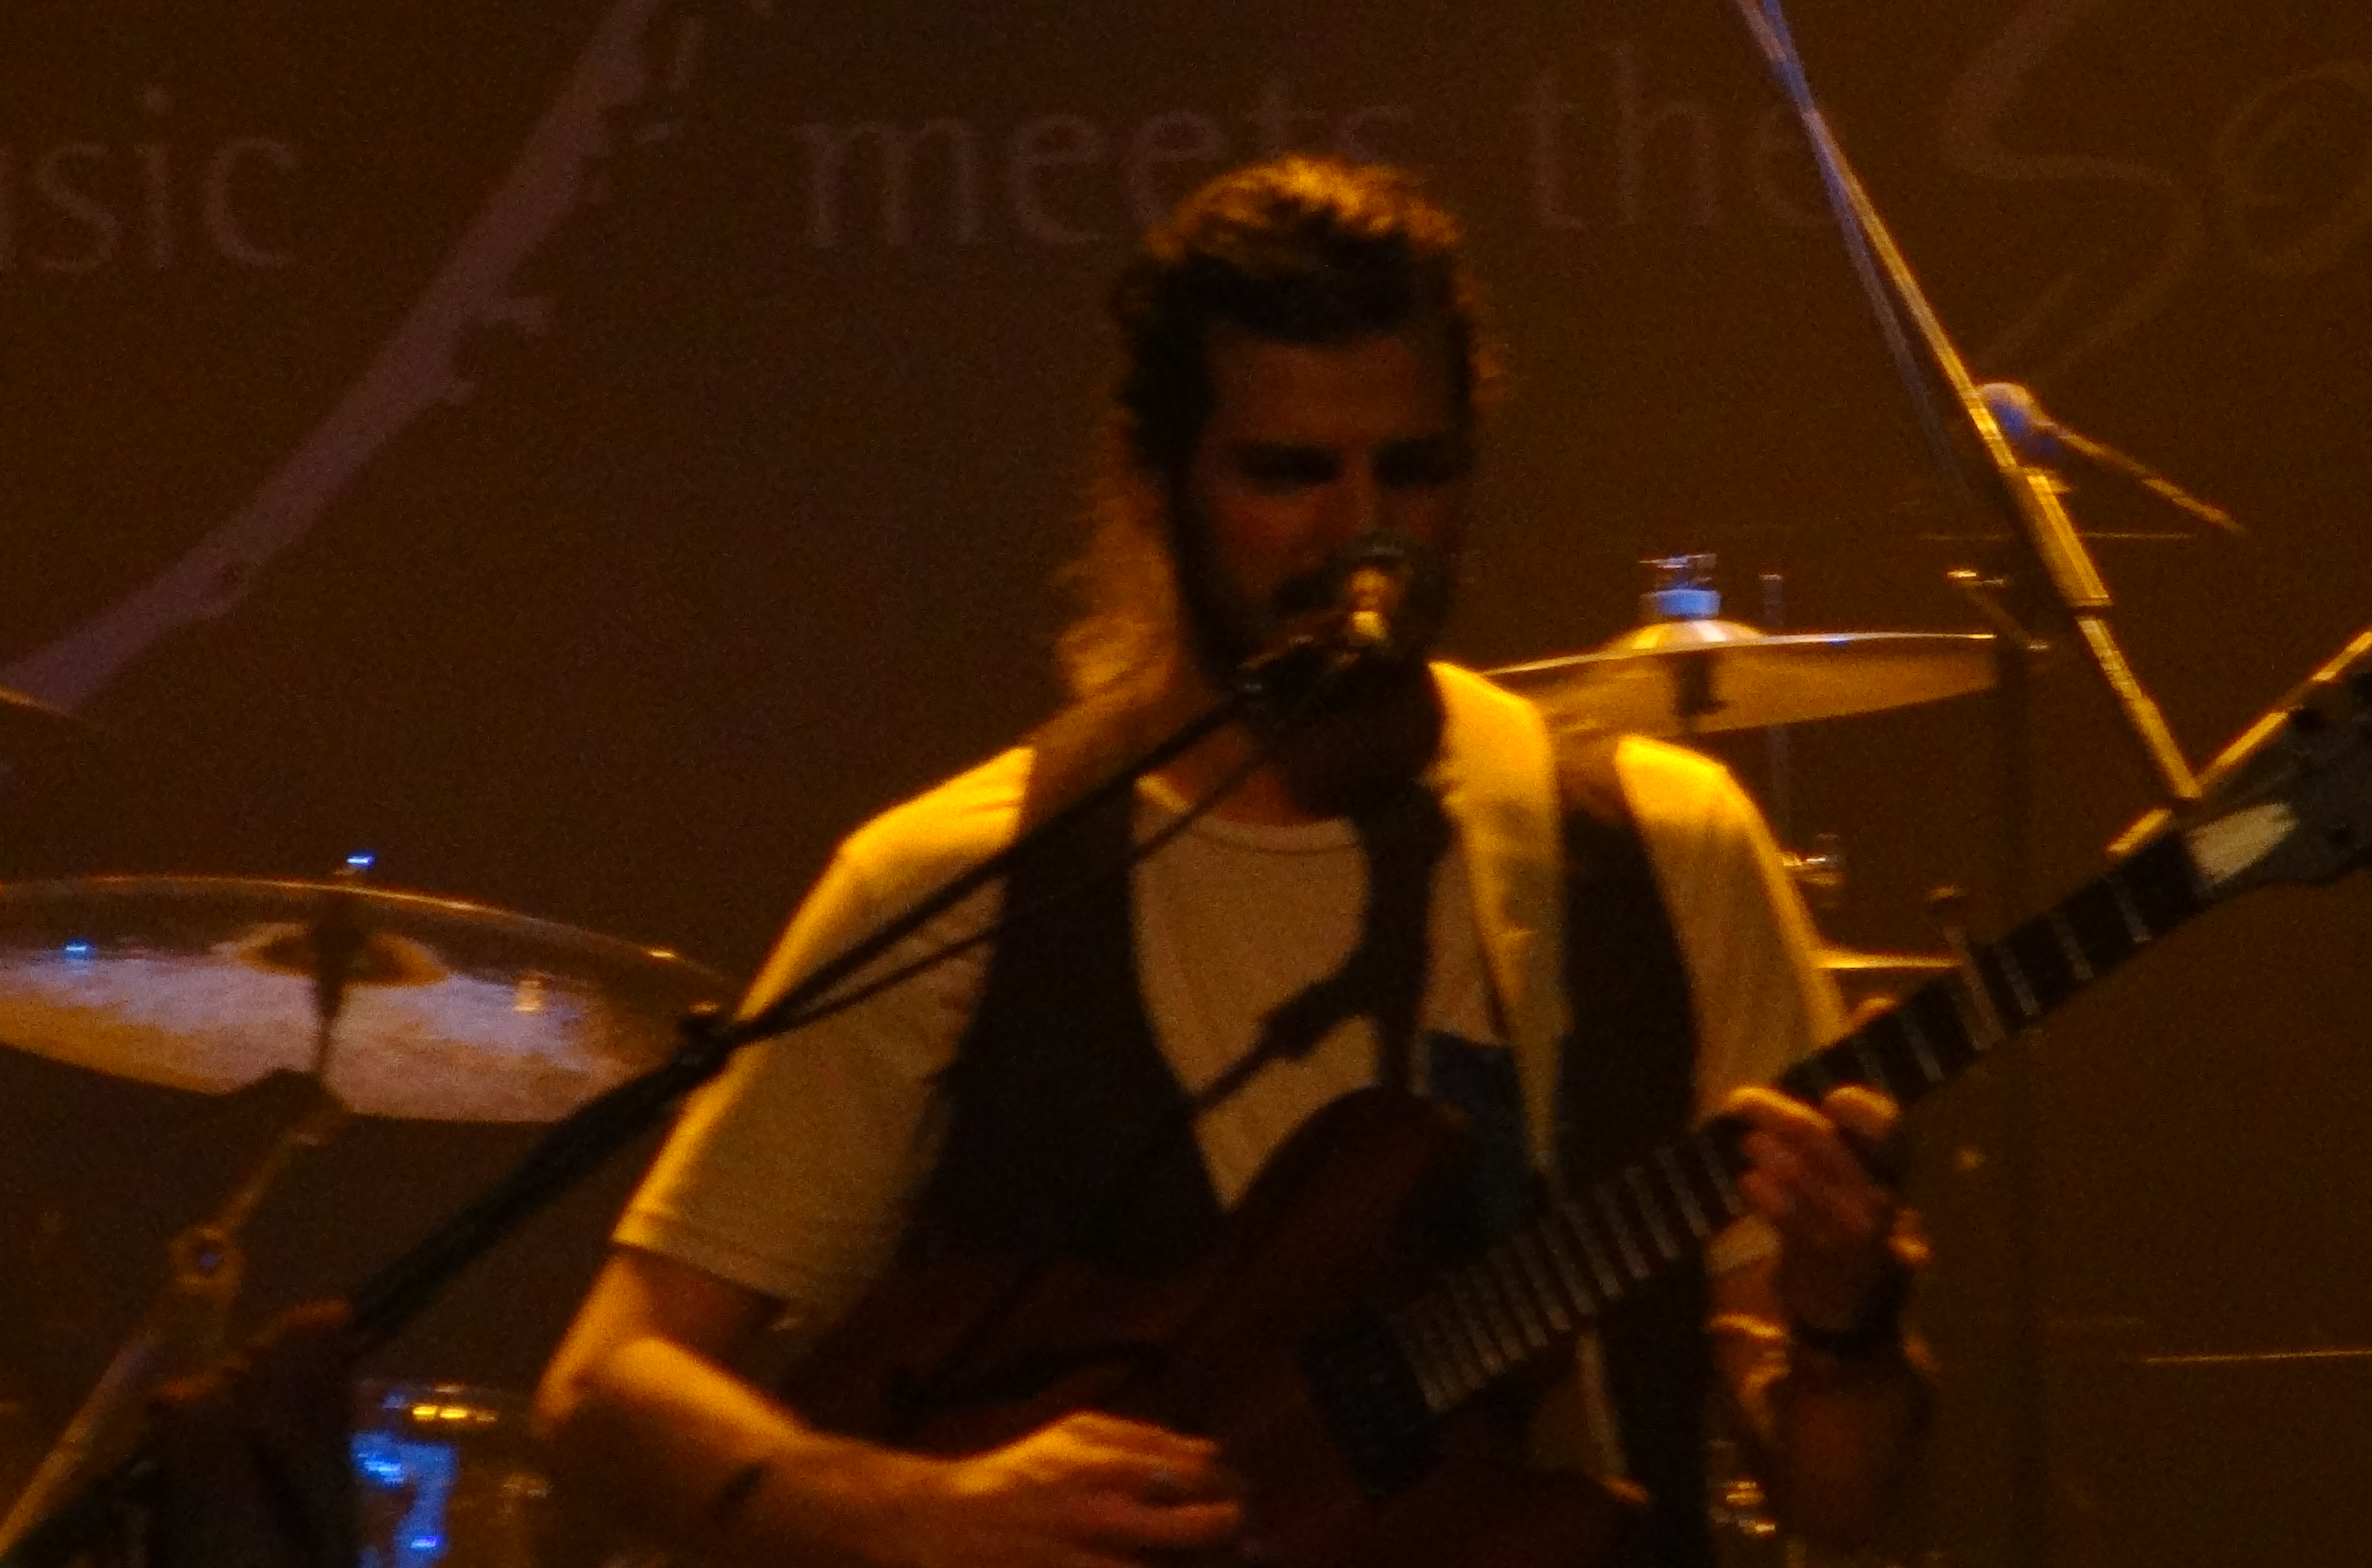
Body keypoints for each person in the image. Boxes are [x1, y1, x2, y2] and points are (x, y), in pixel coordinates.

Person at [534, 155, 1930, 1568]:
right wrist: (931, 1514)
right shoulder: (962, 880)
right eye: (1288, 474)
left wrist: (1847, 1322)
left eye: (1413, 471)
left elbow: (1844, 1501)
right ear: (1154, 485)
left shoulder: (1661, 851)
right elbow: (605, 1389)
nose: (1361, 536)